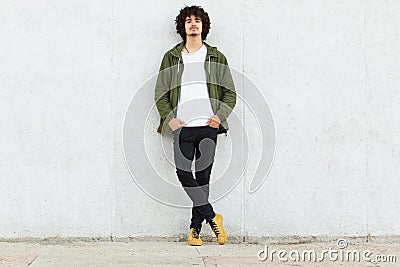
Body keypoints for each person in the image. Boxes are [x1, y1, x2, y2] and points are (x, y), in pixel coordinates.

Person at [154, 5, 236, 246]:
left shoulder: (215, 57)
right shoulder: (171, 57)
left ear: (203, 26)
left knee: (203, 178)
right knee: (183, 173)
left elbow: (229, 93)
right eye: (189, 20)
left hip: (208, 127)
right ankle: (212, 216)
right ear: (183, 26)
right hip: (182, 128)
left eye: (197, 20)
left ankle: (194, 230)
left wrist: (219, 117)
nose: (193, 24)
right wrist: (170, 119)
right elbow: (160, 92)